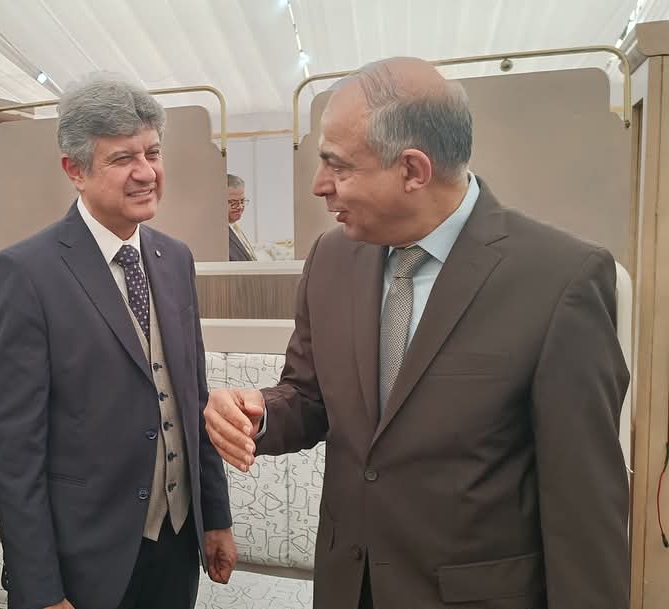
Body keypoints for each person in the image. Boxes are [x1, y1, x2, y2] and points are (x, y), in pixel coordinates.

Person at [203, 57, 631, 609]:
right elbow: (310, 396)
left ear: (412, 170)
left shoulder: (558, 280)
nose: (318, 186)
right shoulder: (332, 259)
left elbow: (584, 509)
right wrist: (259, 411)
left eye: (337, 165)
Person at [0, 76, 237, 609]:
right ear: (74, 170)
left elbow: (193, 399)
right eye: (122, 158)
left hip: (176, 544)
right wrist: (39, 587)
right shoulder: (26, 272)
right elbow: (13, 449)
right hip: (84, 559)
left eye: (152, 153)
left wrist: (215, 518)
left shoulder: (175, 259)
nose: (146, 172)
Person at [226, 174, 255, 261]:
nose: (240, 207)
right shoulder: (218, 234)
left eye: (242, 201)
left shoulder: (234, 226)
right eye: (233, 202)